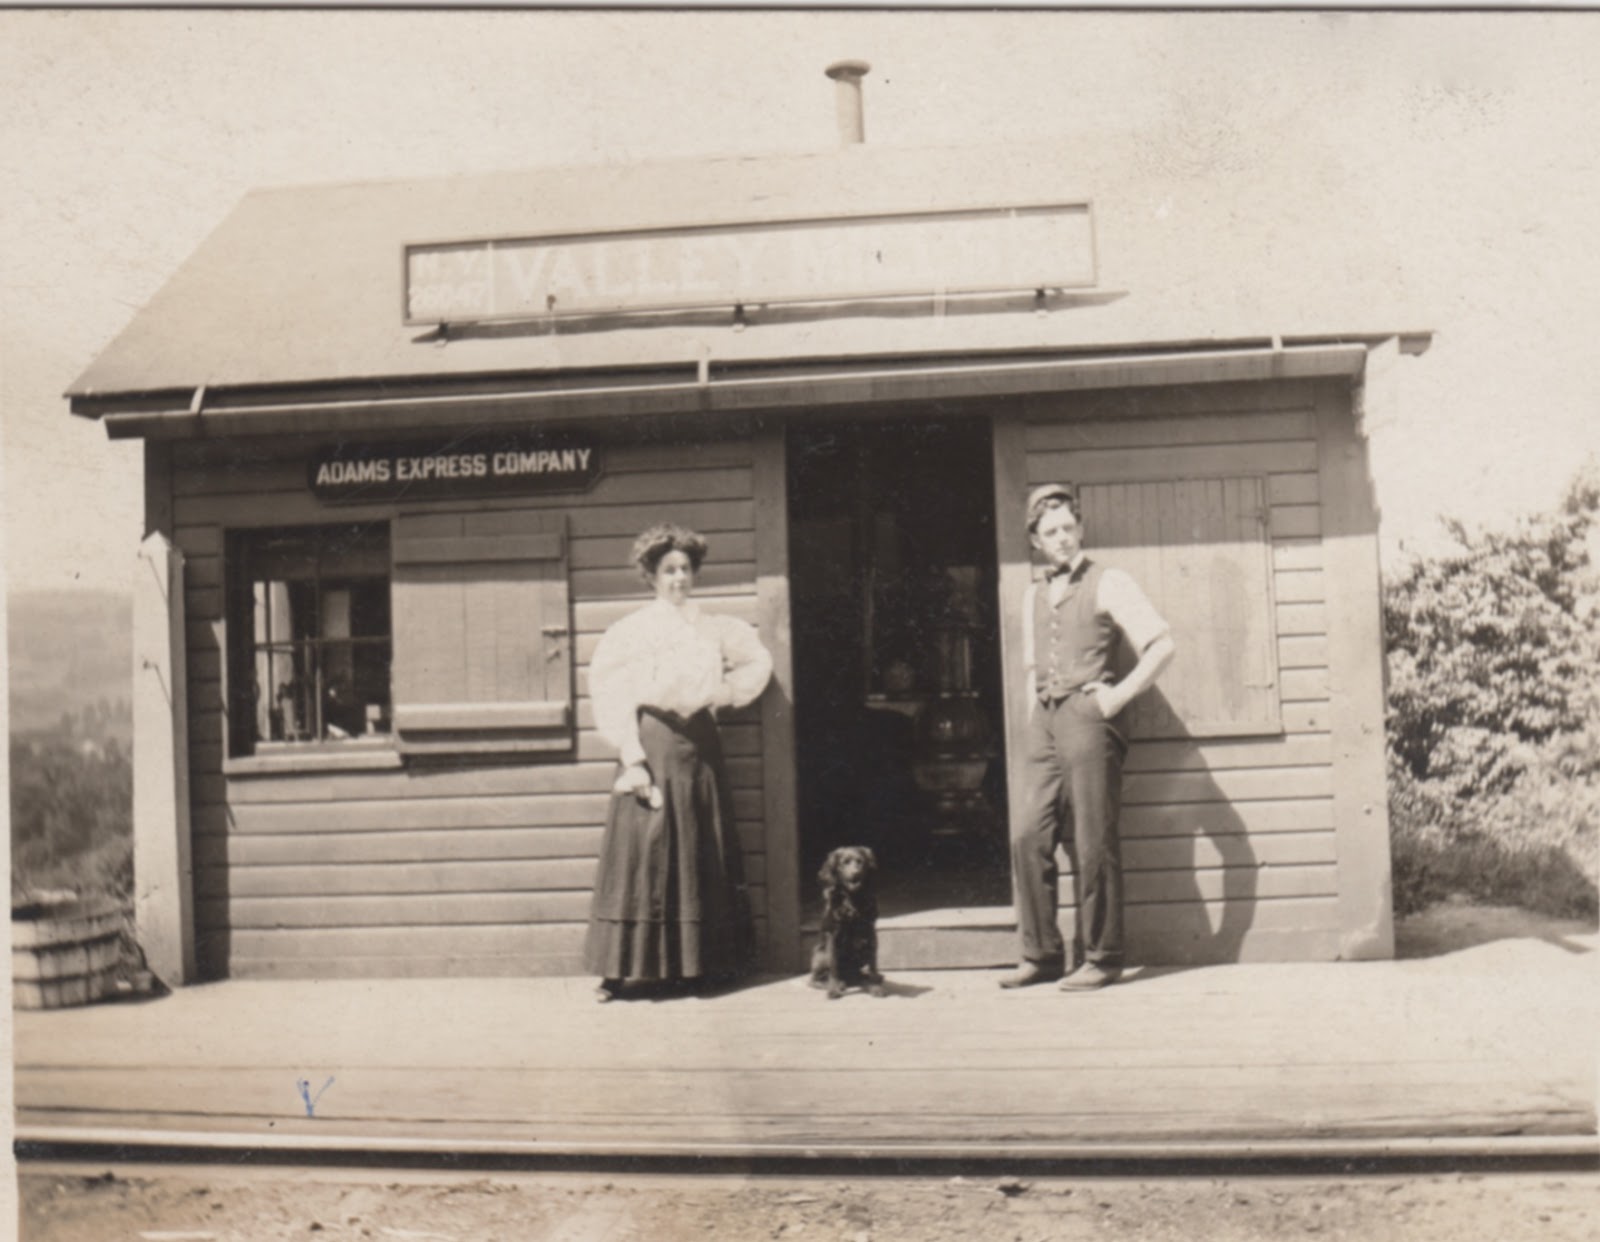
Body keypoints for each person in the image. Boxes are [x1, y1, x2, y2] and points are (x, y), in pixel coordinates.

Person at [584, 522, 773, 1001]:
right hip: (652, 742)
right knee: (645, 851)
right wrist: (632, 758)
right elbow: (610, 693)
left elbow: (757, 663)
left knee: (699, 845)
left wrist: (724, 694)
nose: (679, 579)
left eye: (686, 569)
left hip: (700, 744)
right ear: (651, 575)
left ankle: (700, 967)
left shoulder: (714, 627)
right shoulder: (631, 631)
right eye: (668, 570)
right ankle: (621, 971)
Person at [1001, 484, 1175, 992]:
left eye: (1068, 528)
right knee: (1027, 833)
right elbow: (1033, 665)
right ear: (1035, 540)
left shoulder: (1110, 581)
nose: (1061, 539)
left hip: (1088, 714)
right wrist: (1034, 723)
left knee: (1094, 837)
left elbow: (1163, 645)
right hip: (1044, 717)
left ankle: (1102, 956)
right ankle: (1042, 954)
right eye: (1050, 531)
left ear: (1080, 530)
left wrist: (1116, 698)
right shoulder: (1033, 593)